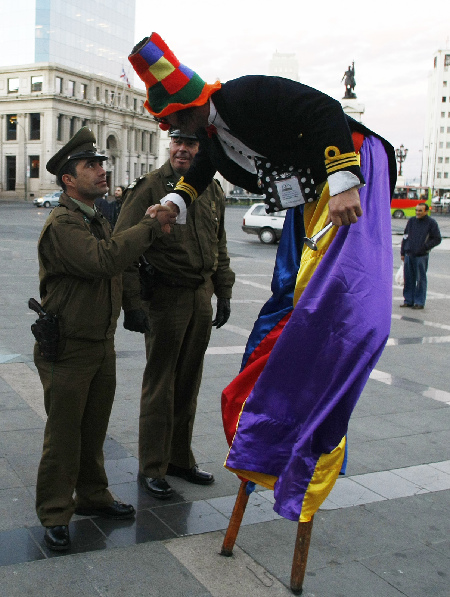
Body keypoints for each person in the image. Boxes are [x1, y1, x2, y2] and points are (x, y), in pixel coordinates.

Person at [127, 33, 398, 523]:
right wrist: (174, 202)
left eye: (178, 120)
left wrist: (343, 179)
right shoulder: (213, 142)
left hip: (353, 167)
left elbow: (322, 110)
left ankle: (315, 382)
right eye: (168, 126)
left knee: (337, 299)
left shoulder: (244, 94)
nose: (177, 132)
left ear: (197, 103)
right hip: (309, 197)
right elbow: (200, 174)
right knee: (294, 292)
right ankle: (275, 385)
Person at [34, 127, 176, 551]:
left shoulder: (93, 218)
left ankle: (93, 496)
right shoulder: (63, 224)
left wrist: (131, 304)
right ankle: (55, 511)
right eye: (89, 165)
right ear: (68, 180)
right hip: (69, 347)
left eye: (101, 163)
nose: (101, 169)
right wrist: (150, 224)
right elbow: (105, 259)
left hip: (99, 342)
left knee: (93, 429)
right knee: (64, 435)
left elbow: (116, 266)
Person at [114, 129, 235, 499]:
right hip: (165, 297)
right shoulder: (151, 187)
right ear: (170, 146)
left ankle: (179, 458)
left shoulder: (211, 190)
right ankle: (153, 466)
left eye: (192, 144)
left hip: (200, 295)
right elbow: (123, 245)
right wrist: (132, 304)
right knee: (161, 383)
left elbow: (220, 244)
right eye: (178, 143)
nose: (183, 149)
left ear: (202, 150)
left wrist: (224, 292)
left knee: (188, 381)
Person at [400, 202, 441, 309]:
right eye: (416, 210)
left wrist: (425, 247)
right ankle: (408, 300)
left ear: (426, 211)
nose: (417, 213)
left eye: (420, 211)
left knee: (420, 279)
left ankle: (419, 302)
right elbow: (405, 236)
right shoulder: (412, 221)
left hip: (421, 256)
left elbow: (437, 239)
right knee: (408, 279)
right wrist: (403, 252)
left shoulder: (431, 223)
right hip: (409, 254)